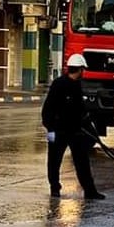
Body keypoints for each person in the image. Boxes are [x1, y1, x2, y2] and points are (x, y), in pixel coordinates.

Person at [41, 53, 105, 200]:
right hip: (59, 131)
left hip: (76, 132)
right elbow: (48, 109)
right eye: (83, 69)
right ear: (80, 69)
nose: (84, 72)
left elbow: (81, 111)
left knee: (82, 162)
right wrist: (50, 128)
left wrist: (91, 131)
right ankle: (55, 188)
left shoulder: (77, 85)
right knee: (54, 161)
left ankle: (90, 191)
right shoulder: (59, 84)